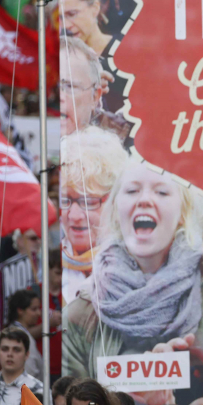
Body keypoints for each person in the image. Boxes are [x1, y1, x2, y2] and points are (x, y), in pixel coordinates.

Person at [63, 160, 203, 379]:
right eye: (132, 191)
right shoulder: (81, 316)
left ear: (183, 213)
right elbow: (75, 403)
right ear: (115, 211)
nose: (144, 200)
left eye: (161, 192)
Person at [59, 124, 127, 303]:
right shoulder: (44, 266)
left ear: (116, 199)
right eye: (65, 200)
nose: (74, 216)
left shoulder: (143, 266)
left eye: (87, 202)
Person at [5, 290, 44, 382]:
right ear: (20, 311)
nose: (39, 313)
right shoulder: (20, 337)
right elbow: (30, 372)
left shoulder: (15, 332)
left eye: (39, 309)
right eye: (34, 309)